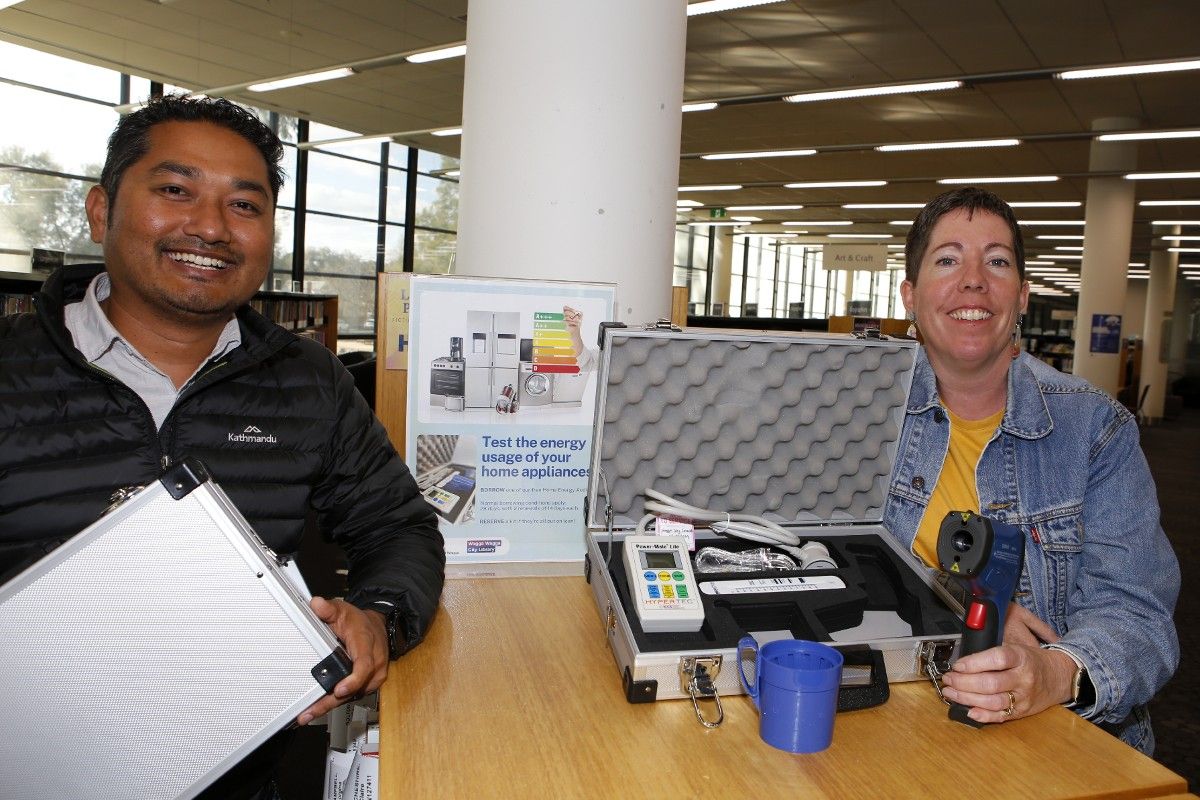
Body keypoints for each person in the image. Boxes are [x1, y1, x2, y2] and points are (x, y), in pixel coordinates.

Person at [0, 95, 445, 798]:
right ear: (100, 210)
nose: (208, 227)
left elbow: (398, 525)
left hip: (239, 771)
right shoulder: (10, 369)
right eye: (176, 191)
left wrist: (380, 619)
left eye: (244, 206)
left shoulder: (308, 382)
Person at [883, 186, 1179, 753]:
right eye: (948, 259)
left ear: (1021, 296)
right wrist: (962, 601)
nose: (974, 279)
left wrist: (1053, 672)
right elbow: (814, 560)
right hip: (895, 723)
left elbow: (1140, 615)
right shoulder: (855, 416)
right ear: (910, 294)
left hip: (1056, 742)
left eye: (997, 261)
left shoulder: (1095, 430)